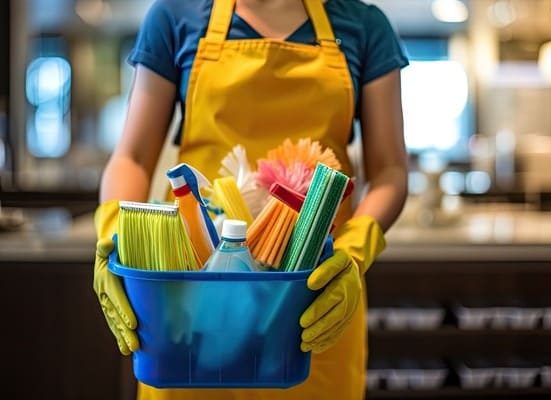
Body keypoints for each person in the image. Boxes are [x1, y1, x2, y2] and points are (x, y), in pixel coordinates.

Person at [93, 0, 409, 398]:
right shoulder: (176, 17)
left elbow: (390, 172)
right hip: (191, 297)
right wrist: (116, 239)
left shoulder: (364, 26)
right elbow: (132, 157)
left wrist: (353, 252)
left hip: (311, 294)